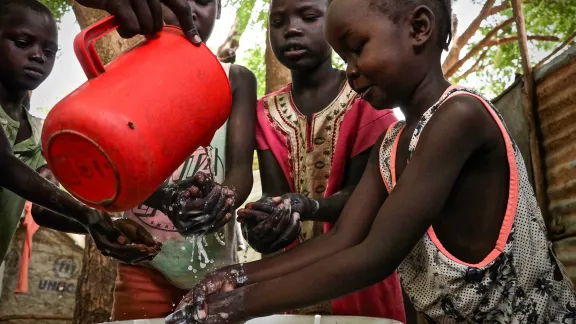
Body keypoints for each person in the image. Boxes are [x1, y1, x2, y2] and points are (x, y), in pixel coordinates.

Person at [166, 0, 576, 323]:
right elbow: (343, 238)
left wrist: (235, 306)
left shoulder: (460, 117)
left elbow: (375, 256)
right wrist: (233, 278)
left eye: (357, 49)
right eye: (344, 57)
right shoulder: (393, 143)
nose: (351, 71)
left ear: (419, 28)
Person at [235, 0, 405, 320]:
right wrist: (265, 225)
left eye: (309, 17)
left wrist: (306, 205)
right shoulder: (264, 113)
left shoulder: (368, 100)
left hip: (359, 286)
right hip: (289, 293)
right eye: (278, 22)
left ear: (335, 25)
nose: (292, 29)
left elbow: (364, 200)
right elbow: (275, 195)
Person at [110, 0, 257, 320]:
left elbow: (241, 169)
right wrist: (163, 199)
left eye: (203, 0)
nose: (187, 7)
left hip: (217, 273)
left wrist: (223, 197)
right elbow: (116, 171)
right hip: (144, 264)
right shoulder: (122, 72)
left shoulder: (235, 79)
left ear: (218, 9)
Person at [0, 0, 160, 264]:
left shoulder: (38, 132)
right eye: (22, 43)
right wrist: (86, 214)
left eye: (49, 51)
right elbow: (4, 165)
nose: (38, 55)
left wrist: (106, 224)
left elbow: (42, 207)